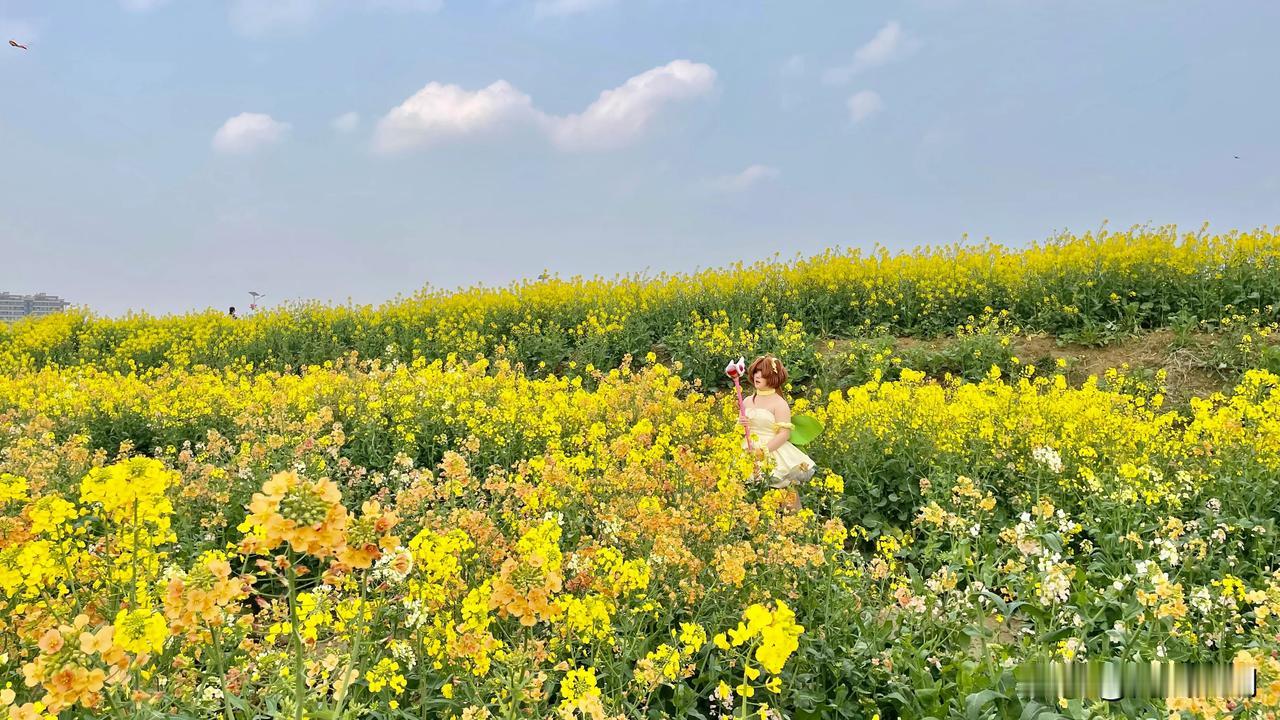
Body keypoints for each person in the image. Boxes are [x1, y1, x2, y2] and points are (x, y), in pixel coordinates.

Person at [739, 355, 816, 494]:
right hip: (747, 448)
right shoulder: (747, 401)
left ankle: (793, 515)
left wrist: (763, 451)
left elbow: (784, 434)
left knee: (782, 490)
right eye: (756, 372)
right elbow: (742, 428)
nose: (757, 376)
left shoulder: (779, 403)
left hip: (772, 450)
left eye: (763, 374)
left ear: (772, 378)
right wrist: (741, 423)